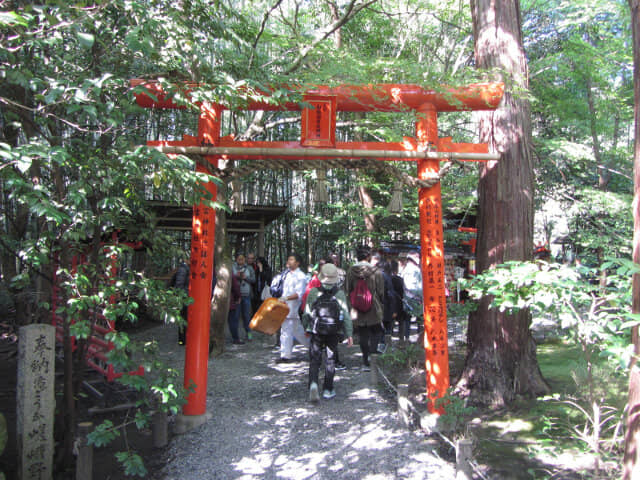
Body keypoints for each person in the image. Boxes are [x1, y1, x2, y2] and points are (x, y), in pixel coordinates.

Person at [302, 263, 353, 402]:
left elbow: (306, 312)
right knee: (330, 359)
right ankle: (328, 389)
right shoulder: (340, 293)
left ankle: (313, 383)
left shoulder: (313, 292)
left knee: (314, 359)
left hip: (316, 330)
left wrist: (306, 327)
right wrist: (349, 334)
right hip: (334, 331)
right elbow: (346, 315)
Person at [345, 246, 385, 371]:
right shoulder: (375, 271)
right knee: (376, 331)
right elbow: (381, 291)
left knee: (363, 333)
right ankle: (372, 357)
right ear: (368, 256)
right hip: (373, 306)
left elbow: (347, 289)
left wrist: (351, 305)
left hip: (357, 307)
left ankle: (365, 361)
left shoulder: (351, 271)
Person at [276, 253, 309, 363]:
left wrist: (285, 298)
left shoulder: (301, 276)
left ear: (297, 263)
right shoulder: (288, 274)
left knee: (288, 331)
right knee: (295, 331)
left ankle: (286, 356)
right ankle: (314, 347)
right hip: (285, 307)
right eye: (288, 259)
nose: (289, 261)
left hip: (293, 308)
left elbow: (299, 294)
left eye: (291, 259)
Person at [400, 251, 423, 340]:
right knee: (419, 320)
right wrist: (421, 297)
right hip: (416, 299)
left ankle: (406, 337)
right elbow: (419, 286)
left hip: (406, 298)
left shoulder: (405, 269)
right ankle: (420, 337)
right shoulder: (416, 270)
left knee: (407, 320)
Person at [233, 254, 256, 341]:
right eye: (239, 259)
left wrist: (245, 278)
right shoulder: (233, 267)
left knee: (246, 316)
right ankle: (236, 336)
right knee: (235, 316)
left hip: (246, 295)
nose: (241, 260)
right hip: (236, 296)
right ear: (236, 259)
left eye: (242, 259)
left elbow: (254, 280)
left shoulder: (249, 268)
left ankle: (248, 333)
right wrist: (236, 277)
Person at [169, 260, 190, 345]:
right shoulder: (183, 270)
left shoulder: (186, 269)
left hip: (186, 297)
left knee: (185, 319)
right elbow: (179, 285)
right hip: (183, 298)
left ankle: (184, 339)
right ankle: (182, 340)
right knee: (183, 319)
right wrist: (182, 296)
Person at [227, 272, 244, 344]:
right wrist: (238, 297)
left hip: (212, 301)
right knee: (232, 321)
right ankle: (235, 338)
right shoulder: (230, 274)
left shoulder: (212, 272)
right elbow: (235, 287)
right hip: (229, 301)